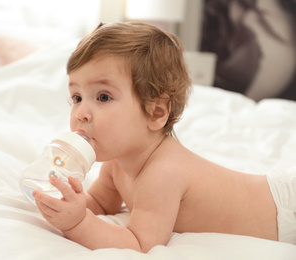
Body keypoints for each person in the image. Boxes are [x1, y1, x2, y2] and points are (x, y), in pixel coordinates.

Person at [32, 22, 295, 253]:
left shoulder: (162, 173)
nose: (81, 113)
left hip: (286, 210)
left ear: (156, 112)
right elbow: (101, 202)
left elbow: (139, 243)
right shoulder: (117, 163)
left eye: (103, 97)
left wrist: (78, 223)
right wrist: (71, 204)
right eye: (76, 97)